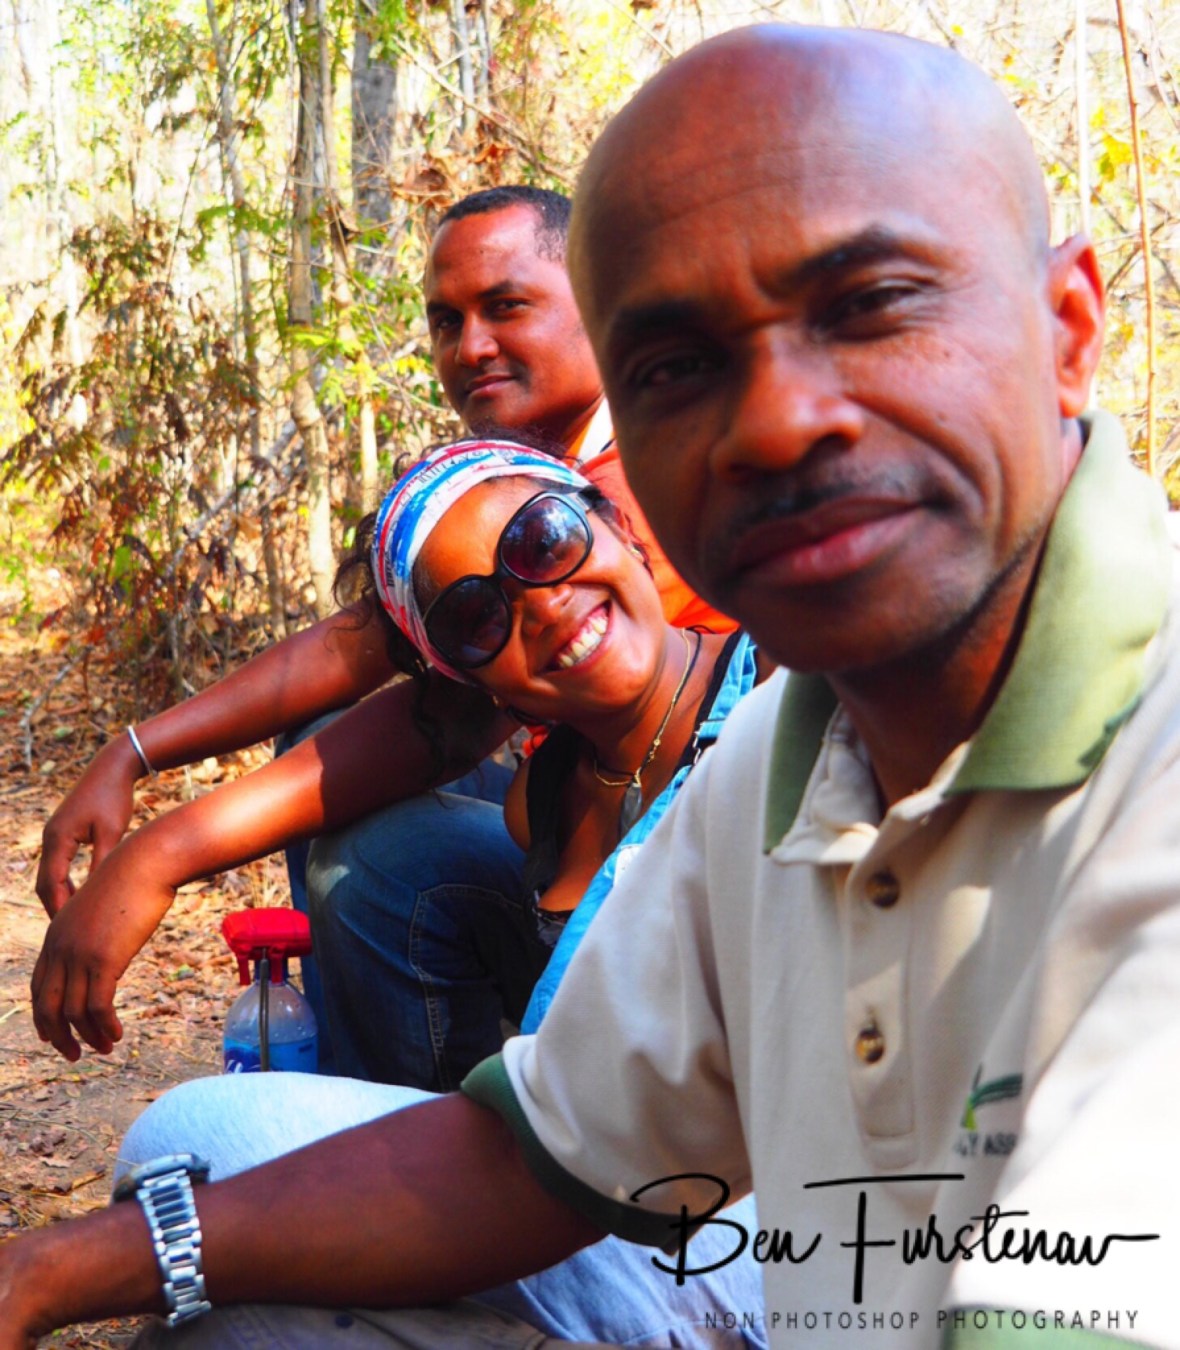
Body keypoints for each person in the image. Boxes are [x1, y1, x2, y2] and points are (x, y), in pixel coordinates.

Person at [5, 23, 1176, 1350]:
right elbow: (535, 1157)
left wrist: (159, 814)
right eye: (680, 367)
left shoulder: (1131, 756)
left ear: (1071, 326)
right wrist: (48, 1271)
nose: (780, 419)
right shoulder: (784, 768)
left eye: (869, 306)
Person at [30, 186, 734, 1084]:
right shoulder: (528, 483)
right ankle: (378, 1093)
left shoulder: (648, 472)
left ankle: (412, 1120)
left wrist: (159, 853)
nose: (470, 347)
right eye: (446, 322)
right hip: (591, 816)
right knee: (322, 745)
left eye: (506, 306)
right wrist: (133, 750)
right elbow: (362, 640)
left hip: (694, 882)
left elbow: (418, 719)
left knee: (379, 848)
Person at [112, 437, 767, 1348]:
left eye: (543, 540)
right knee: (216, 1325)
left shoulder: (773, 682)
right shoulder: (543, 809)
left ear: (615, 523)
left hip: (768, 1218)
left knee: (192, 1138)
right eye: (475, 617)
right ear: (469, 677)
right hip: (591, 1180)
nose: (540, 604)